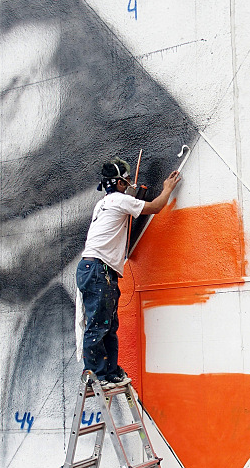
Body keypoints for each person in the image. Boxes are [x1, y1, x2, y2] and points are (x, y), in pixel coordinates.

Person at [77, 158, 181, 388]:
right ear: (120, 182)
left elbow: (122, 208)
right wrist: (167, 189)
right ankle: (98, 375)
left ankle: (110, 372)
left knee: (108, 324)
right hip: (98, 269)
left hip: (96, 269)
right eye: (125, 180)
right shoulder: (119, 200)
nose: (128, 183)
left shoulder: (104, 202)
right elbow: (155, 207)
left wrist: (130, 195)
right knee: (99, 324)